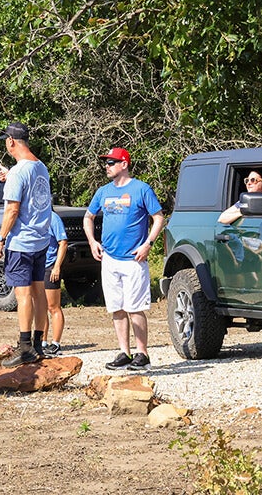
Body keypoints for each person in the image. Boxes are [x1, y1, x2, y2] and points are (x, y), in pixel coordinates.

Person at [83, 147, 165, 371]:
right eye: (106, 163)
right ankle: (124, 352)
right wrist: (92, 241)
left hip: (133, 258)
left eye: (111, 162)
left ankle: (142, 354)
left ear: (124, 164)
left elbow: (158, 218)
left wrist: (148, 244)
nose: (107, 167)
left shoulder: (141, 189)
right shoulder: (103, 191)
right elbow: (88, 217)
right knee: (116, 307)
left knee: (135, 307)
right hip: (109, 257)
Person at [0, 122, 52, 367]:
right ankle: (39, 343)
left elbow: (12, 209)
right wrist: (10, 177)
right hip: (41, 238)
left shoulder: (19, 172)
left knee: (23, 294)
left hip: (22, 241)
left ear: (11, 142)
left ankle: (25, 346)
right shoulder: (41, 167)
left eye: (6, 140)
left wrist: (0, 239)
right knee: (39, 292)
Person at [42, 210, 68, 355]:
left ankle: (56, 343)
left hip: (50, 266)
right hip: (37, 266)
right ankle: (42, 341)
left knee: (53, 306)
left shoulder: (53, 218)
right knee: (40, 307)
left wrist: (57, 266)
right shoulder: (33, 216)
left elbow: (63, 242)